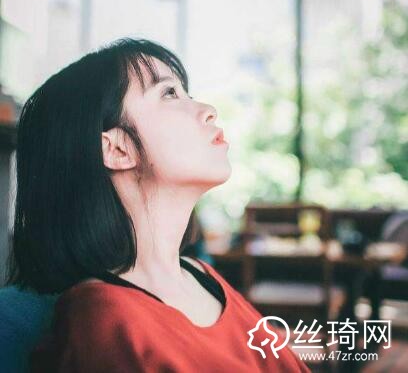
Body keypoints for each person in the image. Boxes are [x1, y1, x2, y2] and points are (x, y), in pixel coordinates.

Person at [7, 38, 310, 372]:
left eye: (186, 93)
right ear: (117, 149)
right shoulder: (104, 319)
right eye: (169, 93)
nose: (208, 110)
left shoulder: (202, 275)